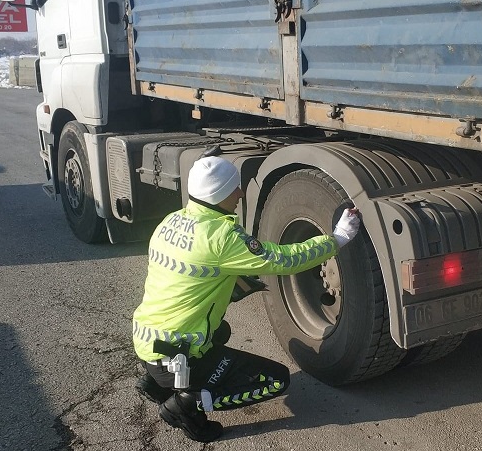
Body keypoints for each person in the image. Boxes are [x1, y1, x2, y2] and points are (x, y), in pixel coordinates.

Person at [132, 156, 360, 442]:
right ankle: (185, 404)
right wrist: (336, 239)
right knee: (275, 381)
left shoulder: (172, 221)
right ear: (218, 194)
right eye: (234, 189)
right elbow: (284, 259)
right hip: (178, 356)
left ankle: (155, 381)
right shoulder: (221, 237)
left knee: (221, 331)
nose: (240, 194)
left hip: (148, 340)